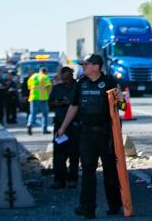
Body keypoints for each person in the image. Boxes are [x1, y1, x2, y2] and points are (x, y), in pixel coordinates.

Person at [55, 54, 122, 219]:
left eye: (86, 64)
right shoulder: (81, 84)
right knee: (87, 171)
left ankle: (115, 205)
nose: (83, 67)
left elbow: (122, 107)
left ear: (96, 67)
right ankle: (87, 208)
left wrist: (121, 99)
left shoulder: (109, 83)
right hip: (86, 134)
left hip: (106, 134)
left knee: (110, 171)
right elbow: (74, 106)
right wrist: (63, 127)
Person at [49, 67, 79, 189]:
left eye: (67, 78)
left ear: (72, 76)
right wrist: (57, 103)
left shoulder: (78, 87)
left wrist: (69, 102)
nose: (65, 81)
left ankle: (73, 178)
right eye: (63, 79)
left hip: (74, 125)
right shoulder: (57, 88)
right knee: (58, 154)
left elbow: (80, 104)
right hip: (59, 124)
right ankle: (59, 179)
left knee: (74, 153)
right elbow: (50, 104)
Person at [27, 67, 53, 135]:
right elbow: (49, 86)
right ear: (45, 72)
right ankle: (44, 129)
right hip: (42, 98)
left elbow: (29, 86)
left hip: (33, 98)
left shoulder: (33, 76)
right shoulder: (45, 77)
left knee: (32, 113)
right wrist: (48, 95)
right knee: (45, 114)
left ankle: (29, 124)